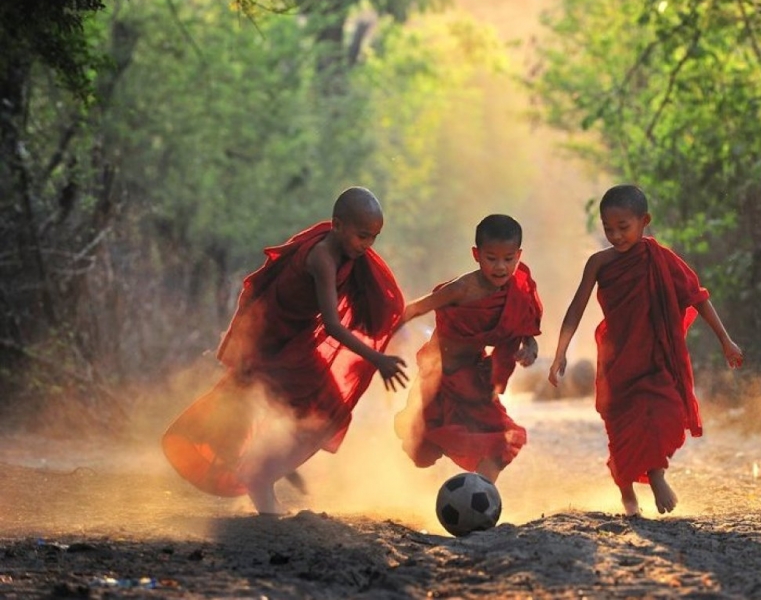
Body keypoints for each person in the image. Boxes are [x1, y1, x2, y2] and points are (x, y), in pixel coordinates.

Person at [162, 186, 409, 515]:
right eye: (362, 236)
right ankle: (263, 482)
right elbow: (334, 326)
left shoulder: (344, 250)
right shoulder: (322, 257)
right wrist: (376, 358)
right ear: (337, 225)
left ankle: (274, 460)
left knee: (326, 407)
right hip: (269, 339)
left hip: (297, 338)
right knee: (245, 414)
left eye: (374, 238)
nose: (367, 246)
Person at [548, 184, 743, 516]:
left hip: (655, 356)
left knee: (663, 414)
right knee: (621, 426)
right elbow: (576, 307)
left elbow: (698, 297)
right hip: (616, 358)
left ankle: (656, 474)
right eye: (608, 229)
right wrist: (560, 351)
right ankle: (627, 497)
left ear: (644, 221)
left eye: (623, 228)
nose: (616, 236)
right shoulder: (599, 263)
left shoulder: (660, 259)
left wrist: (725, 340)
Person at [393, 214, 542, 483]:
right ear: (476, 254)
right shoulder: (462, 288)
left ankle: (484, 496)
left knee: (500, 439)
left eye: (509, 259)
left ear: (519, 255)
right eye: (491, 258)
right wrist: (377, 340)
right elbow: (415, 309)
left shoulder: (517, 290)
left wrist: (530, 348)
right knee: (421, 454)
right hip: (437, 379)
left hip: (475, 379)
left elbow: (525, 329)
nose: (500, 267)